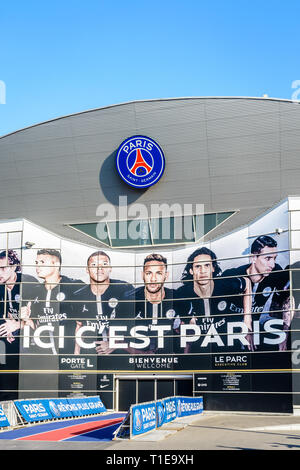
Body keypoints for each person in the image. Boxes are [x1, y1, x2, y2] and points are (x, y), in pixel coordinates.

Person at [175, 247, 252, 353]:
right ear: (191, 270)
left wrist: (247, 322)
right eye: (198, 266)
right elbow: (186, 331)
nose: (203, 271)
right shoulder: (182, 293)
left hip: (226, 346)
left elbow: (247, 282)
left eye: (207, 265)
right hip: (201, 348)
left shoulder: (224, 285)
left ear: (213, 268)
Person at [222, 235, 288, 349]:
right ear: (253, 258)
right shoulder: (232, 275)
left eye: (274, 258)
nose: (272, 264)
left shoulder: (276, 272)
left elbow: (289, 297)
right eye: (268, 258)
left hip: (259, 324)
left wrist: (285, 334)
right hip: (231, 328)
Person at [20, 249, 83, 355]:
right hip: (42, 357)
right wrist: (27, 320)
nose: (38, 266)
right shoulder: (34, 291)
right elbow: (35, 326)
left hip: (68, 355)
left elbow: (82, 323)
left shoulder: (74, 286)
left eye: (42, 262)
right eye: (36, 263)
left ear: (56, 264)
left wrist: (76, 354)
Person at [73, 250, 133, 355]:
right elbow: (79, 325)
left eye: (104, 264)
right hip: (91, 356)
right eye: (94, 265)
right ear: (87, 270)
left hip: (120, 355)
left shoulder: (124, 289)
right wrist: (76, 354)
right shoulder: (79, 295)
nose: (99, 268)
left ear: (110, 268)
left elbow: (134, 324)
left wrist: (113, 344)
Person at [121, 253, 176, 354]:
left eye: (159, 273)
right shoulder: (129, 299)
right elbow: (117, 338)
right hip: (136, 363)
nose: (153, 279)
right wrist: (140, 354)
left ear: (166, 275)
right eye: (149, 273)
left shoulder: (176, 297)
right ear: (143, 275)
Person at [0, 249, 37, 342]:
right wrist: (8, 330)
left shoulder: (29, 282)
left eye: (3, 268)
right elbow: (4, 315)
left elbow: (40, 320)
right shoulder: (1, 287)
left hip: (33, 334)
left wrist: (17, 325)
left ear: (14, 267)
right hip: (14, 333)